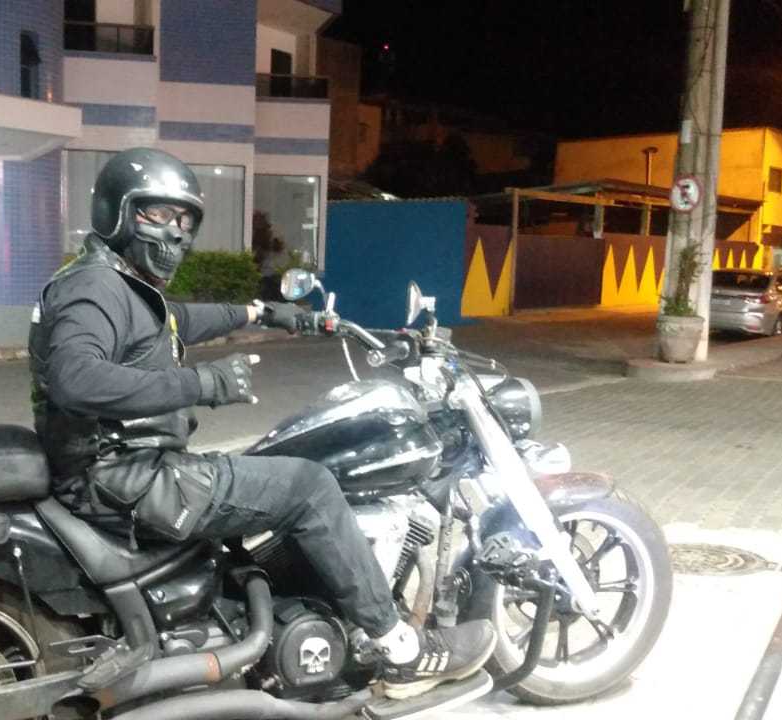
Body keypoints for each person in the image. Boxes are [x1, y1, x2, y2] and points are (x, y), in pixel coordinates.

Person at [30, 147, 495, 700]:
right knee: (309, 485)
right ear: (117, 211)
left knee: (267, 469)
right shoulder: (92, 288)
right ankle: (402, 650)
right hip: (127, 478)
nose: (174, 232)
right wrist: (205, 383)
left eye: (185, 220)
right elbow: (75, 378)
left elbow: (175, 320)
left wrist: (265, 313)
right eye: (158, 214)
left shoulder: (116, 283)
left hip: (122, 471)